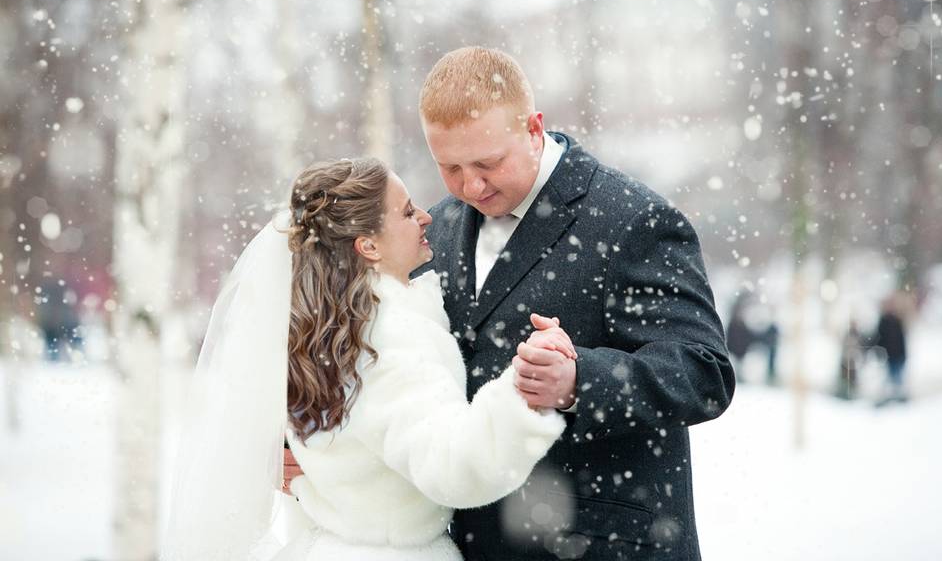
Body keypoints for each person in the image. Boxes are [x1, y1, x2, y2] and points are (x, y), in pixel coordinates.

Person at [289, 48, 736, 559]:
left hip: (602, 545)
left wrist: (577, 382)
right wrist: (321, 452)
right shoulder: (434, 227)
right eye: (449, 167)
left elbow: (704, 374)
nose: (470, 185)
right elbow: (379, 360)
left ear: (534, 128)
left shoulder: (632, 219)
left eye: (488, 163)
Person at [163, 158, 571, 561]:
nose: (427, 217)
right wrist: (524, 388)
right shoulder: (390, 337)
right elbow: (451, 468)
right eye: (408, 212)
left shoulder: (328, 332)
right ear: (368, 245)